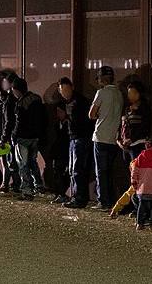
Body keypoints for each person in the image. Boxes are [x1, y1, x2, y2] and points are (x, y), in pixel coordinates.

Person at [89, 66, 124, 211]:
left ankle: (103, 201)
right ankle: (111, 200)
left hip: (101, 136)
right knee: (109, 171)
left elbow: (91, 114)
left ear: (101, 79)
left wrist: (99, 115)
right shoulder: (120, 94)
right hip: (114, 138)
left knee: (101, 172)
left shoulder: (101, 93)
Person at [7, 78, 47, 201]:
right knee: (33, 162)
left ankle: (26, 191)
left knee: (23, 165)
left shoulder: (21, 103)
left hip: (23, 138)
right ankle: (39, 185)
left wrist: (13, 136)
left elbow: (18, 123)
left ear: (16, 90)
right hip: (35, 137)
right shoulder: (37, 99)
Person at [58, 77, 94, 209]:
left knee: (77, 170)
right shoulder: (69, 102)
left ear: (71, 88)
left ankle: (79, 199)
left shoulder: (79, 101)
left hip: (81, 138)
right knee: (73, 170)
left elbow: (87, 120)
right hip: (74, 138)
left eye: (66, 89)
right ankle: (76, 197)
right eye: (63, 90)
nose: (65, 92)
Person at [118, 80, 152, 163]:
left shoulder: (144, 108)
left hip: (138, 145)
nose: (129, 95)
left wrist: (131, 139)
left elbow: (145, 126)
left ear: (139, 94)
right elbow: (121, 124)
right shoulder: (127, 108)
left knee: (137, 170)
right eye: (129, 93)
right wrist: (118, 139)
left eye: (132, 93)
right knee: (129, 170)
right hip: (125, 146)